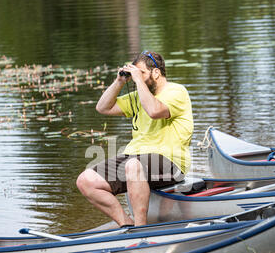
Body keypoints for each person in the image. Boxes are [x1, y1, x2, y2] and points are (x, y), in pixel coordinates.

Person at [76, 51, 193, 226]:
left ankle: (141, 229)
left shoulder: (176, 91)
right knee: (86, 181)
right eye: (135, 73)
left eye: (142, 73)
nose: (138, 77)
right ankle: (127, 224)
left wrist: (138, 80)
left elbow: (154, 111)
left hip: (171, 161)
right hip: (135, 158)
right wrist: (119, 81)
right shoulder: (139, 96)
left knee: (132, 166)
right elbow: (103, 107)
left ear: (156, 73)